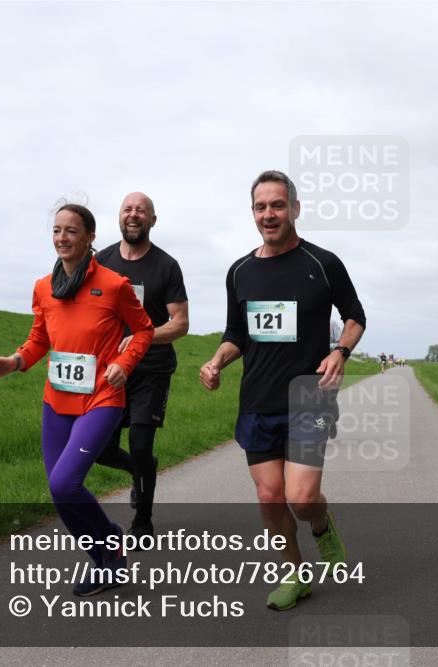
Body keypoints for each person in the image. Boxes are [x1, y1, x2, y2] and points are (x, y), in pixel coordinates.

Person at [199, 170, 366, 611]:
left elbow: (355, 316)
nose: (268, 214)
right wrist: (217, 360)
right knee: (270, 497)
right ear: (252, 212)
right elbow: (238, 333)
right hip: (257, 400)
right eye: (260, 207)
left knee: (301, 497)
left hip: (309, 396)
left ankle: (322, 527)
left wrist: (340, 352)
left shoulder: (322, 263)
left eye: (277, 205)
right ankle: (294, 575)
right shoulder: (240, 271)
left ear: (294, 208)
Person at [0, 203, 153, 596]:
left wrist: (124, 364)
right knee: (60, 494)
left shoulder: (114, 284)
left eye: (71, 231)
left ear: (90, 237)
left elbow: (143, 330)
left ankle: (110, 543)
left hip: (102, 397)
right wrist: (13, 362)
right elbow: (39, 339)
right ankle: (107, 557)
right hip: (56, 401)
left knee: (64, 484)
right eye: (57, 231)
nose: (62, 238)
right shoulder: (44, 286)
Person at [94, 192, 189, 542]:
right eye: (127, 210)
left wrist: (141, 337)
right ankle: (141, 473)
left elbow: (180, 323)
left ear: (152, 219)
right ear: (119, 217)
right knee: (100, 448)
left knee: (140, 444)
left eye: (141, 211)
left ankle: (143, 521)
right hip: (108, 371)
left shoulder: (166, 265)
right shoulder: (100, 261)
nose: (134, 215)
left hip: (151, 369)